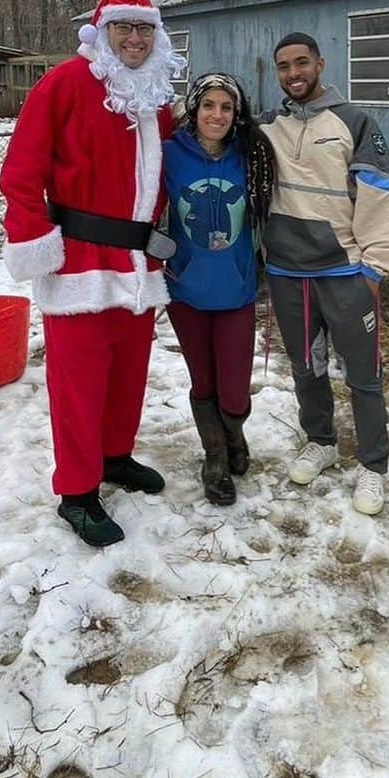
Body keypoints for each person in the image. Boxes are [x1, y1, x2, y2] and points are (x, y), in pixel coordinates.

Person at [0, 0, 184, 548]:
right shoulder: (64, 84)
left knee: (128, 373)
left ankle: (114, 457)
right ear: (101, 34)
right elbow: (21, 175)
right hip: (79, 259)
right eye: (124, 28)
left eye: (144, 29)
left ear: (157, 36)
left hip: (138, 263)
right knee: (77, 384)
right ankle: (76, 493)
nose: (134, 38)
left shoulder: (156, 97)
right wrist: (37, 244)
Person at [260, 33, 389, 515]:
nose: (293, 73)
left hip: (343, 272)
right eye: (284, 66)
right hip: (286, 272)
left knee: (362, 374)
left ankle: (372, 465)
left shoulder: (355, 121)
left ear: (320, 63)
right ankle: (321, 441)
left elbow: (383, 192)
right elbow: (207, 123)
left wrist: (374, 268)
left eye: (302, 62)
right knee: (307, 366)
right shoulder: (268, 126)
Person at [162, 73, 275, 506]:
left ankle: (235, 432)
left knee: (233, 388)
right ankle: (215, 457)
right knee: (202, 379)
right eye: (208, 105)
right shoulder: (170, 154)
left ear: (237, 114)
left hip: (237, 288)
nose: (217, 115)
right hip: (185, 288)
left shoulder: (251, 155)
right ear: (194, 109)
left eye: (226, 107)